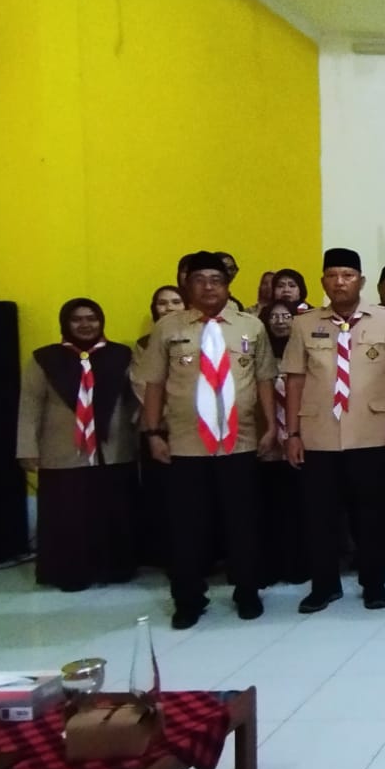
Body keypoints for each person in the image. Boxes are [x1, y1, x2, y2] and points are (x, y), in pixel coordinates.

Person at [137, 251, 277, 629]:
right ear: (187, 286)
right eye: (199, 281)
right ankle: (188, 598)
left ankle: (247, 591)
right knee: (187, 526)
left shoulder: (251, 326)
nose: (208, 287)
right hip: (186, 445)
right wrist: (153, 433)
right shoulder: (168, 328)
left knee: (244, 523)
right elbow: (154, 384)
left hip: (240, 441)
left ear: (227, 285)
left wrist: (271, 427)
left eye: (216, 280)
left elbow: (264, 379)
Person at [282, 248, 385, 613]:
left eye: (348, 275)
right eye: (333, 276)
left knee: (373, 515)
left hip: (372, 431)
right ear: (323, 281)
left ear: (361, 281)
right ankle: (324, 585)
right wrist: (292, 433)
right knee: (319, 516)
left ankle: (374, 584)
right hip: (319, 433)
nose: (340, 282)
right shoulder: (304, 324)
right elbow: (294, 380)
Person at [17, 298, 137, 591]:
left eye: (92, 318)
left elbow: (137, 398)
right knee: (68, 515)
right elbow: (30, 405)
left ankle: (114, 568)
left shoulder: (121, 355)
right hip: (63, 451)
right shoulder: (44, 358)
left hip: (114, 451)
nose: (85, 325)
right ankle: (70, 573)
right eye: (77, 319)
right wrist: (27, 448)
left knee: (111, 511)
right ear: (65, 324)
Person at [132, 285, 187, 568]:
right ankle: (165, 556)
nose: (169, 308)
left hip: (193, 431)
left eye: (176, 302)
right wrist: (172, 413)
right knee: (162, 497)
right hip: (159, 429)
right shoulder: (144, 344)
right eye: (162, 303)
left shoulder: (199, 336)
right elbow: (143, 385)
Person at [256, 300, 307, 587]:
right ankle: (271, 564)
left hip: (302, 440)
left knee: (300, 507)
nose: (280, 321)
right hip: (267, 442)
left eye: (286, 315)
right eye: (273, 316)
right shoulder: (258, 355)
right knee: (269, 507)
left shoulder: (306, 352)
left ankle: (299, 563)